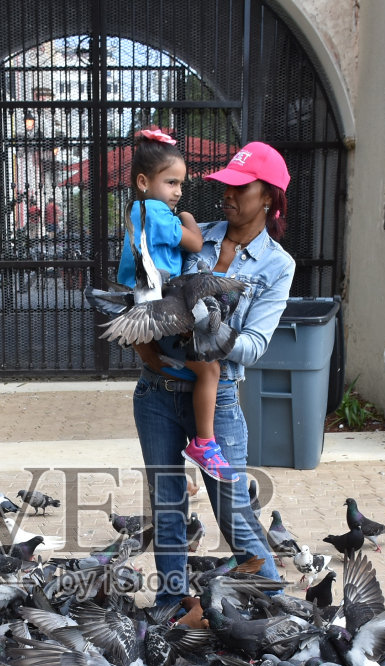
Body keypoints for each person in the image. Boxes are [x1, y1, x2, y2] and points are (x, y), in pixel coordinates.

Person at [132, 140, 296, 606]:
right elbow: (147, 278)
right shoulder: (193, 233)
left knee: (233, 512)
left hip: (217, 397)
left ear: (269, 197)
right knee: (167, 510)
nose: (228, 194)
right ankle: (169, 607)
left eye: (241, 188)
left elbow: (255, 346)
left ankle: (278, 605)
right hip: (158, 392)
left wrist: (214, 334)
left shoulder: (277, 265)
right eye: (226, 185)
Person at [116, 128, 230, 480]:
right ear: (144, 182)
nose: (178, 192)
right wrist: (189, 219)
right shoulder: (155, 212)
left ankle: (182, 467)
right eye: (171, 183)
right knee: (209, 369)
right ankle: (204, 443)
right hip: (160, 303)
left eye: (181, 184)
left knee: (173, 366)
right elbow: (195, 243)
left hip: (148, 301)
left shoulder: (139, 211)